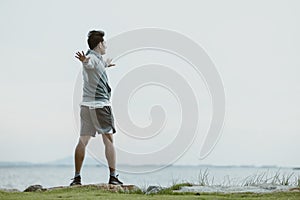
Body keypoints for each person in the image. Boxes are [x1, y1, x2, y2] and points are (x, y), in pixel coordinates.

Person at [70, 30, 123, 186]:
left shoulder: (98, 59)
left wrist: (106, 64)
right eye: (104, 43)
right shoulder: (92, 59)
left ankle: (77, 178)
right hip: (100, 107)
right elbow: (89, 63)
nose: (106, 45)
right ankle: (113, 177)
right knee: (109, 141)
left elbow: (96, 65)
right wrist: (84, 60)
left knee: (83, 141)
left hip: (86, 107)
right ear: (99, 44)